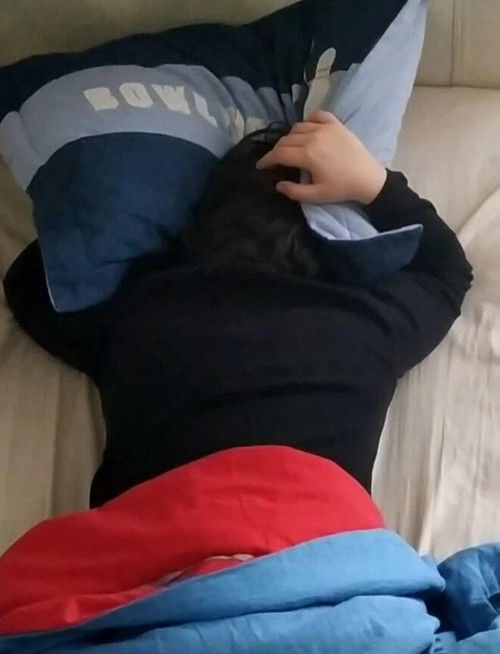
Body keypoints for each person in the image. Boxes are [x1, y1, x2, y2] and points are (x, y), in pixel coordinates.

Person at [3, 111, 473, 506]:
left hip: (154, 561)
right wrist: (376, 186)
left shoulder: (139, 310)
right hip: (318, 557)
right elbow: (448, 270)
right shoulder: (366, 321)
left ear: (199, 221)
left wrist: (144, 216)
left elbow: (31, 282)